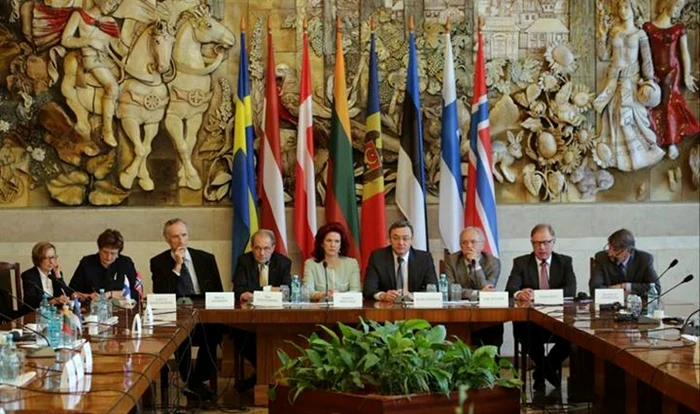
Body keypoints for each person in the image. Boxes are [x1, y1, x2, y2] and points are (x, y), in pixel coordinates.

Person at [151, 218, 222, 402]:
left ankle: (194, 382)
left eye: (183, 235)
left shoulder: (206, 258)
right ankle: (194, 384)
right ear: (167, 239)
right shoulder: (158, 262)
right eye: (175, 236)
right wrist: (177, 266)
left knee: (214, 332)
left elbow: (218, 292)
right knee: (180, 335)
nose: (181, 240)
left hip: (205, 317)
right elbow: (161, 294)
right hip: (177, 319)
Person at [593, 0, 665, 171]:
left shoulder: (640, 34)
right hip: (614, 82)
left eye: (626, 7)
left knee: (630, 119)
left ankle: (641, 156)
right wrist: (601, 34)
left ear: (634, 9)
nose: (623, 11)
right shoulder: (615, 32)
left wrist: (648, 84)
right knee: (614, 118)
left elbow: (647, 62)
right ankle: (618, 159)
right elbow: (603, 56)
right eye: (620, 7)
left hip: (632, 83)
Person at [506, 224, 576, 391]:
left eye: (545, 242)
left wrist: (536, 295)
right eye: (537, 243)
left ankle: (542, 370)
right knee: (526, 334)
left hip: (557, 320)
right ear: (532, 244)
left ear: (553, 242)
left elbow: (570, 290)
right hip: (531, 323)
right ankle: (547, 370)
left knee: (572, 339)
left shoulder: (564, 261)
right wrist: (519, 293)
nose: (541, 247)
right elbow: (510, 289)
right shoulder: (521, 262)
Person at [232, 229, 291, 393]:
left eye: (266, 248)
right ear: (252, 247)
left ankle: (259, 378)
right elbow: (239, 291)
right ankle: (265, 375)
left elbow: (286, 291)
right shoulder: (244, 261)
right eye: (257, 248)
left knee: (281, 338)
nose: (261, 253)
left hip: (277, 318)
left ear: (273, 247)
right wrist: (270, 290)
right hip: (249, 320)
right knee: (240, 337)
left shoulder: (283, 262)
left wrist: (255, 293)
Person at [643, 0, 699, 159]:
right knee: (656, 103)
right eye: (677, 7)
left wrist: (687, 74)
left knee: (669, 103)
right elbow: (644, 54)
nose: (678, 11)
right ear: (668, 4)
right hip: (654, 72)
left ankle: (672, 142)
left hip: (672, 71)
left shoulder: (678, 29)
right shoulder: (649, 28)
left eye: (681, 9)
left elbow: (684, 54)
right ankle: (655, 139)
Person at [444, 227, 503, 349]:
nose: (469, 246)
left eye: (473, 242)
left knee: (495, 325)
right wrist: (478, 293)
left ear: (482, 245)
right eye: (464, 243)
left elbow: (488, 290)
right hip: (457, 313)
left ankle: (491, 363)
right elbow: (450, 289)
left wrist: (476, 266)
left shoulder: (493, 262)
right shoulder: (452, 260)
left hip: (485, 314)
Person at [363, 219, 437, 301]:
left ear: (411, 240)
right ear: (390, 240)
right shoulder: (378, 257)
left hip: (415, 308)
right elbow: (368, 289)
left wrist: (413, 296)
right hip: (387, 308)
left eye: (405, 238)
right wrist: (383, 295)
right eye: (396, 238)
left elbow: (433, 288)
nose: (401, 242)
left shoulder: (424, 259)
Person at [69, 229, 139, 302]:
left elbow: (136, 293)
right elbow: (71, 292)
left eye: (113, 253)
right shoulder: (87, 263)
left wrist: (110, 294)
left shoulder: (126, 263)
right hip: (92, 309)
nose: (108, 257)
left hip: (122, 309)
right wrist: (88, 296)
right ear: (99, 250)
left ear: (118, 253)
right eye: (105, 252)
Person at [589, 228, 659, 297]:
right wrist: (620, 291)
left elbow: (655, 288)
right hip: (609, 305)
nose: (610, 253)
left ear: (628, 250)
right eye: (609, 247)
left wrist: (626, 286)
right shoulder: (602, 258)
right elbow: (594, 289)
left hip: (637, 305)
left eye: (615, 250)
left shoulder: (644, 259)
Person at [303, 222, 361, 302]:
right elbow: (307, 292)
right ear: (322, 243)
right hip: (319, 310)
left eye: (337, 241)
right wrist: (323, 294)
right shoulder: (311, 264)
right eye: (329, 240)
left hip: (345, 309)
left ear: (341, 245)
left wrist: (338, 296)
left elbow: (356, 291)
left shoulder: (352, 264)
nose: (332, 245)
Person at [21, 242, 72, 310]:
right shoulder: (29, 275)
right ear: (38, 259)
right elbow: (30, 300)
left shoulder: (55, 274)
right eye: (47, 258)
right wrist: (52, 300)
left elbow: (66, 295)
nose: (51, 261)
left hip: (56, 314)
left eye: (53, 257)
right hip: (36, 314)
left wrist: (58, 277)